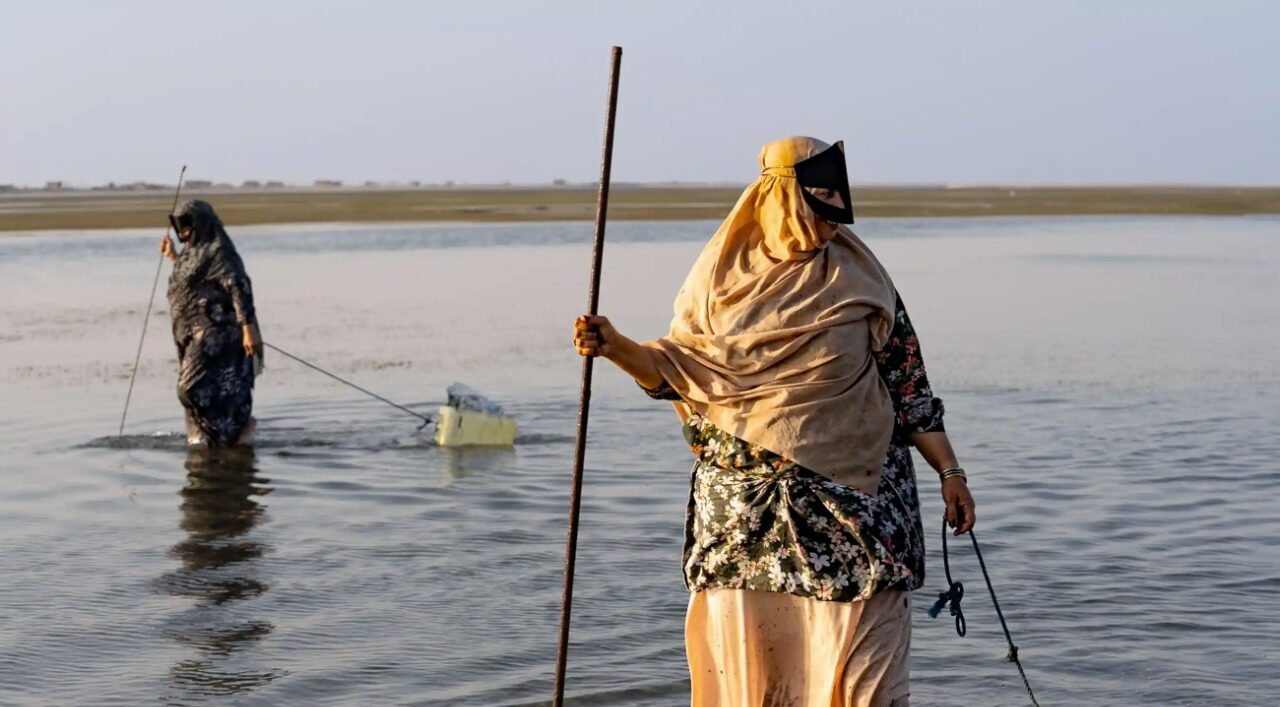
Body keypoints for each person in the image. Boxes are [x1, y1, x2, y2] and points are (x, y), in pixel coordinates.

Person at [573, 136, 976, 706]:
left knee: (871, 690)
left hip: (859, 523)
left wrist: (950, 474)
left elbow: (910, 388)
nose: (835, 214)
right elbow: (676, 373)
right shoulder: (717, 284)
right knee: (758, 690)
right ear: (782, 195)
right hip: (748, 531)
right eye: (821, 196)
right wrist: (614, 347)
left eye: (841, 194)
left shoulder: (863, 278)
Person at [160, 200, 263, 447]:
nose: (183, 231)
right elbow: (196, 282)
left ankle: (240, 429)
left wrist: (248, 329)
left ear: (200, 223)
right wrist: (173, 257)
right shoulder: (193, 253)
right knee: (212, 391)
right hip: (191, 334)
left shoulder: (220, 251)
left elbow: (238, 286)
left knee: (189, 388)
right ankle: (222, 441)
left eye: (187, 224)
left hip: (217, 334)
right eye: (178, 226)